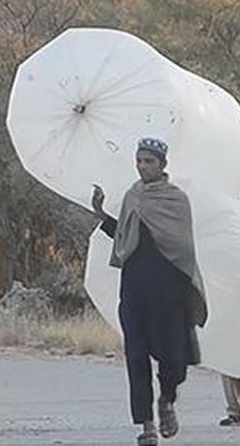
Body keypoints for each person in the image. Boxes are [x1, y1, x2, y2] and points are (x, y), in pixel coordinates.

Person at [92, 138, 208, 446]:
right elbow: (125, 236)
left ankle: (167, 399)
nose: (143, 166)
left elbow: (183, 247)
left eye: (149, 161)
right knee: (136, 357)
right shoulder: (132, 196)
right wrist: (102, 215)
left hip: (169, 292)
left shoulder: (176, 200)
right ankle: (146, 425)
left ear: (162, 164)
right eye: (140, 161)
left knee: (174, 359)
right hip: (134, 290)